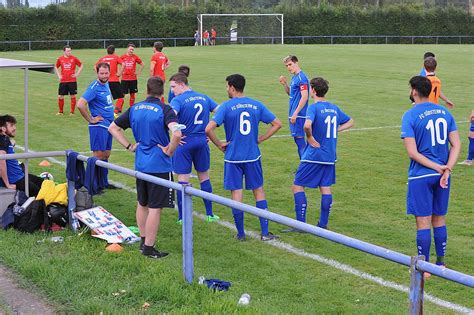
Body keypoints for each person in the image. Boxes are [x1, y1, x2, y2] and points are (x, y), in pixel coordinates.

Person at [108, 77, 182, 259]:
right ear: (162, 93)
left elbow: (113, 127)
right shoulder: (165, 109)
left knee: (142, 203)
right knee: (155, 208)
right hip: (159, 166)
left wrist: (129, 146)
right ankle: (149, 247)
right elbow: (177, 133)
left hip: (141, 163)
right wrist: (169, 151)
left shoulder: (136, 108)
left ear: (146, 91)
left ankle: (143, 240)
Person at [205, 74, 282, 241]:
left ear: (232, 87)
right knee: (258, 191)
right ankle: (265, 232)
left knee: (236, 194)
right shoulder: (256, 104)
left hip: (233, 158)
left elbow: (208, 129)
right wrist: (261, 139)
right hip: (253, 156)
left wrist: (219, 145)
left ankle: (240, 234)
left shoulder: (226, 107)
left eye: (227, 86)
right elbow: (277, 124)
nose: (226, 89)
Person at [401, 76, 460, 275]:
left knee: (423, 221)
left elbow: (412, 152)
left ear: (415, 91)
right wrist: (447, 169)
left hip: (421, 175)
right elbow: (457, 144)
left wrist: (436, 167)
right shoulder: (444, 112)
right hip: (443, 175)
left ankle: (424, 268)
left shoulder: (409, 115)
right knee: (439, 219)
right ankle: (441, 263)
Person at [290, 78, 353, 231]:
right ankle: (323, 224)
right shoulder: (333, 108)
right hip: (330, 156)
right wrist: (336, 131)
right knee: (325, 188)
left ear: (313, 90)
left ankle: (300, 225)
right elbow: (351, 121)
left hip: (314, 155)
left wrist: (310, 137)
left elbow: (306, 125)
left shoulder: (313, 108)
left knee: (297, 186)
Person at [169, 72, 220, 224]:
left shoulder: (178, 100)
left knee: (182, 180)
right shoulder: (204, 97)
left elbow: (170, 117)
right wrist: (209, 129)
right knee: (204, 176)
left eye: (173, 86)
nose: (172, 90)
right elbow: (220, 111)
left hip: (184, 143)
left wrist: (176, 133)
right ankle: (210, 214)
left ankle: (182, 217)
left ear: (182, 84)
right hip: (202, 142)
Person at [77, 63, 115, 189]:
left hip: (109, 126)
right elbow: (81, 104)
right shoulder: (94, 87)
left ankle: (103, 183)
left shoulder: (107, 83)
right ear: (97, 73)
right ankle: (90, 185)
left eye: (106, 73)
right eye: (101, 73)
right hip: (99, 126)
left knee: (106, 155)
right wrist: (91, 119)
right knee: (97, 156)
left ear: (109, 72)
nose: (104, 76)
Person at [0, 115, 43, 196]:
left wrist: (11, 144)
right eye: (11, 126)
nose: (15, 128)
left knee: (44, 183)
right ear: (3, 128)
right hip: (16, 180)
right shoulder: (3, 140)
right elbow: (1, 160)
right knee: (41, 193)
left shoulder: (5, 139)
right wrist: (7, 184)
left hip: (20, 176)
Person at [279, 55, 309, 159]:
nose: (288, 67)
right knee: (299, 142)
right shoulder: (294, 77)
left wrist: (296, 113)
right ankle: (305, 168)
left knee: (300, 143)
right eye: (286, 65)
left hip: (299, 115)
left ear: (296, 63)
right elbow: (291, 93)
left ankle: (305, 169)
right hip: (294, 114)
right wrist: (285, 84)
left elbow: (305, 97)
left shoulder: (301, 78)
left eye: (290, 64)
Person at [95, 45, 124, 115]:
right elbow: (123, 64)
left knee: (107, 97)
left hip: (105, 81)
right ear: (114, 51)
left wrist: (100, 75)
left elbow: (95, 66)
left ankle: (104, 110)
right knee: (121, 97)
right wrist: (119, 73)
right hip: (114, 80)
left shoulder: (103, 58)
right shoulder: (116, 57)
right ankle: (115, 111)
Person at [55, 45, 83, 115]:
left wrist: (77, 74)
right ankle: (61, 111)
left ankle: (72, 112)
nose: (69, 52)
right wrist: (59, 75)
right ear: (64, 51)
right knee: (60, 96)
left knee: (72, 96)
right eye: (68, 51)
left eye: (70, 50)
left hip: (72, 81)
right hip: (63, 81)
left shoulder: (74, 58)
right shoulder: (60, 59)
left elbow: (81, 65)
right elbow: (55, 66)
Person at [120, 43, 144, 108]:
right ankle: (119, 108)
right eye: (130, 49)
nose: (131, 51)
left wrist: (138, 72)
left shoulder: (135, 57)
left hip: (133, 79)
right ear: (127, 49)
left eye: (133, 50)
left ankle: (131, 107)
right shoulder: (122, 57)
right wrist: (120, 72)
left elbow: (142, 64)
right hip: (124, 79)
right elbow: (117, 63)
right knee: (122, 94)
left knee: (132, 94)